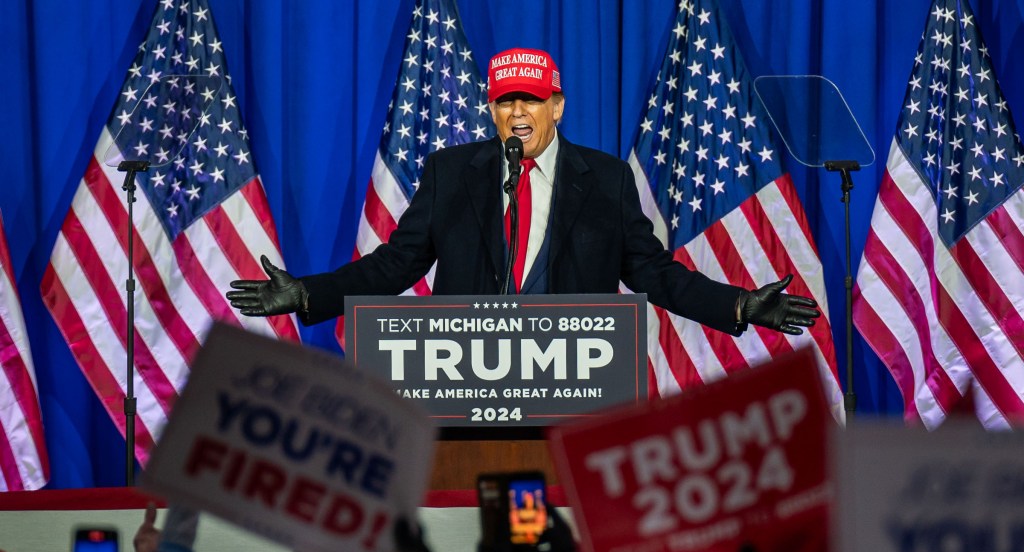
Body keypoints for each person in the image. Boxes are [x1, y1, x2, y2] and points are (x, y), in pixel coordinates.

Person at [227, 47, 820, 337]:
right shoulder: (451, 172)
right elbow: (393, 266)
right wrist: (309, 294)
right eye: (505, 100)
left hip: (573, 391)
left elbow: (654, 273)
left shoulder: (606, 179)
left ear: (556, 107)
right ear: (490, 107)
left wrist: (738, 306)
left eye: (530, 100)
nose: (517, 112)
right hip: (463, 391)